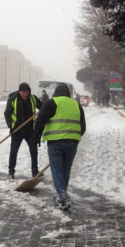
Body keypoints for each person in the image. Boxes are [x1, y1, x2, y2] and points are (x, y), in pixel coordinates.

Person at [35, 83, 86, 211]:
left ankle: (62, 196)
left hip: (55, 142)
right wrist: (74, 138)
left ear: (56, 92)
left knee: (57, 170)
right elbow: (83, 126)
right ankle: (61, 193)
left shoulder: (51, 103)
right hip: (72, 142)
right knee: (65, 170)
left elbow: (40, 121)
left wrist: (37, 137)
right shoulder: (76, 104)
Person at [4, 82, 43, 179]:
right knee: (14, 151)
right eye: (23, 92)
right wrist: (11, 127)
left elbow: (43, 107)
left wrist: (43, 110)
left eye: (27, 92)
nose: (25, 94)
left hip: (30, 130)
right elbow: (7, 114)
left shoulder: (33, 98)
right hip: (17, 130)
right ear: (19, 91)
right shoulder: (13, 99)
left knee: (34, 150)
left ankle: (35, 171)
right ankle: (11, 171)